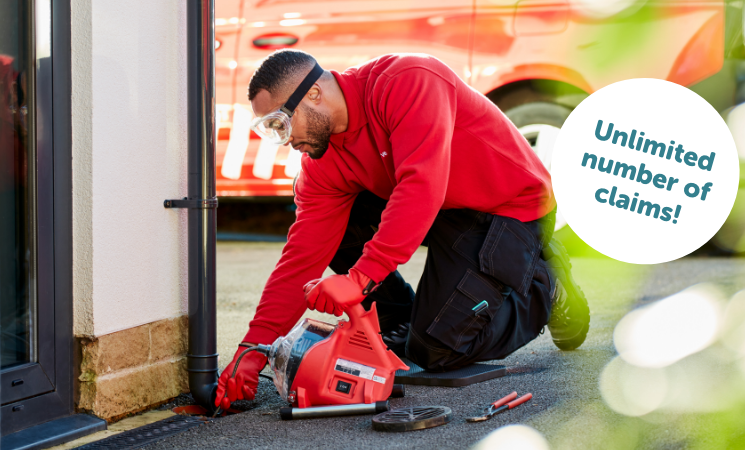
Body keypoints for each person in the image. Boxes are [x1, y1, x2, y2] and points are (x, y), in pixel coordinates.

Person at [214, 50, 590, 410]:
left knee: (440, 349)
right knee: (338, 230)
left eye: (281, 124)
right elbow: (301, 257)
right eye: (271, 132)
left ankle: (544, 287)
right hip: (441, 210)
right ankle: (399, 320)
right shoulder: (321, 162)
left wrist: (359, 278)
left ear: (314, 93)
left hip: (508, 207)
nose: (285, 142)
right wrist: (253, 351)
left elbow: (420, 186)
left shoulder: (409, 81)